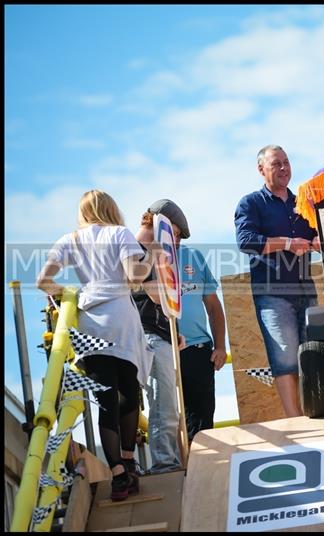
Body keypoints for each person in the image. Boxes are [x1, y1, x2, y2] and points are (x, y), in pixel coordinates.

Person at [37, 189, 154, 501]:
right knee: (129, 392)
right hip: (121, 319)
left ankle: (117, 472)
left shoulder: (70, 240)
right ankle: (129, 461)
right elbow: (133, 277)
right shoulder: (120, 233)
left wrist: (68, 295)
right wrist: (152, 257)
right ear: (110, 208)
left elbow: (43, 281)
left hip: (90, 322)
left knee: (106, 399)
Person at [235, 145, 320, 417]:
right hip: (272, 294)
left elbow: (319, 232)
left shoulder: (303, 203)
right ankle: (295, 420)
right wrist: (287, 243)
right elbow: (246, 241)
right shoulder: (249, 204)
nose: (284, 168)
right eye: (276, 164)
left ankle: (315, 415)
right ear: (261, 170)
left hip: (307, 289)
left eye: (286, 162)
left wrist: (319, 241)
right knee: (284, 356)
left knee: (313, 354)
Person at [133, 200, 189, 474]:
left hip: (159, 333)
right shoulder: (138, 250)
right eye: (175, 233)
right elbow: (156, 295)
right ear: (161, 225)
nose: (175, 241)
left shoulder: (152, 252)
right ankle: (164, 463)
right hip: (147, 335)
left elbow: (163, 302)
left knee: (167, 406)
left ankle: (166, 461)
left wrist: (174, 331)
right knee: (163, 406)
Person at [175, 213, 228, 441]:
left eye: (179, 236)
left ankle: (200, 471)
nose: (175, 241)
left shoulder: (193, 256)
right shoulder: (144, 260)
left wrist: (220, 346)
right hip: (165, 353)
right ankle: (181, 471)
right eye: (170, 234)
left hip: (198, 350)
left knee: (203, 422)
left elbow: (214, 307)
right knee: (172, 420)